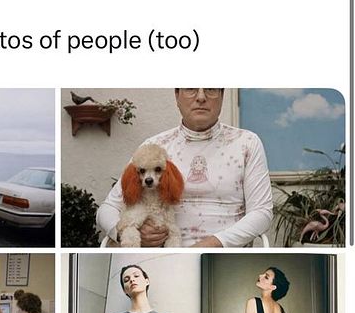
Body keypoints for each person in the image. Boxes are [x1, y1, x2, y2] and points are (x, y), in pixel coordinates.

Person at [96, 88, 273, 247]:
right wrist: (123, 233)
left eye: (210, 89)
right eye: (191, 89)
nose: (201, 97)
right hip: (159, 256)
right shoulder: (154, 148)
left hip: (224, 255)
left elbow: (262, 212)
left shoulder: (247, 143)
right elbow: (107, 209)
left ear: (222, 95)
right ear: (176, 95)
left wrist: (215, 243)